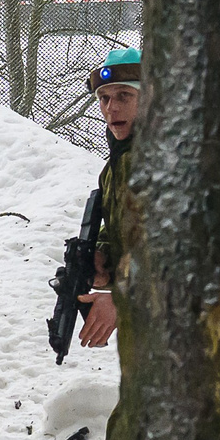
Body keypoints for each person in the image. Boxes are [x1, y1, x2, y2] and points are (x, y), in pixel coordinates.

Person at [77, 46, 141, 349]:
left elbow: (174, 248)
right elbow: (129, 226)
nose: (111, 108)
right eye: (104, 98)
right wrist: (103, 254)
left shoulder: (163, 161)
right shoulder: (115, 168)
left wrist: (121, 298)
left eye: (124, 96)